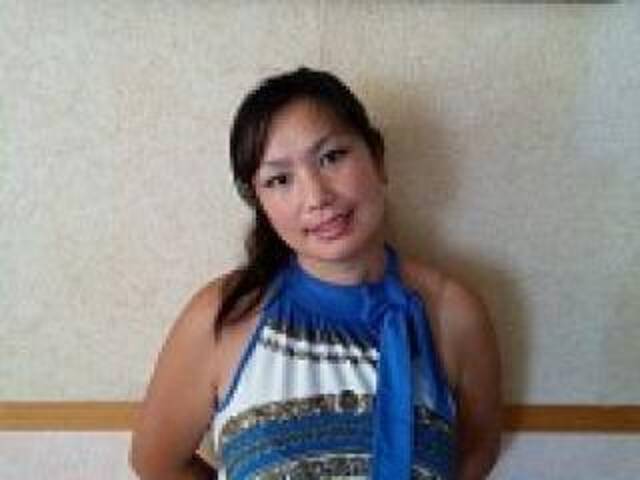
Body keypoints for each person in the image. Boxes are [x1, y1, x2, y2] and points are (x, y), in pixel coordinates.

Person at [130, 67, 501, 480]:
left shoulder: (454, 314)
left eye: (332, 157)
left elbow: (476, 453)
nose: (317, 197)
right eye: (280, 179)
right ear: (260, 202)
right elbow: (156, 463)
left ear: (377, 158)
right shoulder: (222, 316)